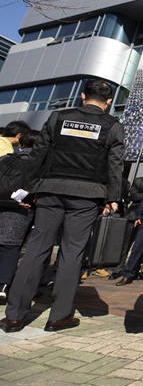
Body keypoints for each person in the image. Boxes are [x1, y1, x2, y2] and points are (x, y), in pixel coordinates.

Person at [0, 80, 124, 333]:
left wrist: (27, 189)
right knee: (72, 252)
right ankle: (59, 316)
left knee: (36, 248)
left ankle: (13, 316)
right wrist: (113, 197)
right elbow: (115, 165)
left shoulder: (59, 117)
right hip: (88, 196)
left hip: (50, 191)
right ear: (109, 102)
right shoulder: (113, 126)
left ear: (82, 96)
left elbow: (37, 156)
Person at [0, 130, 39, 304]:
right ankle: (3, 286)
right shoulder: (38, 164)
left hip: (2, 203)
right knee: (10, 247)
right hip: (22, 208)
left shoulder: (5, 159)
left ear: (22, 144)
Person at [108, 162, 143, 280]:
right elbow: (133, 195)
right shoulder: (139, 181)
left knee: (141, 246)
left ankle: (135, 269)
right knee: (125, 244)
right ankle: (118, 268)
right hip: (133, 216)